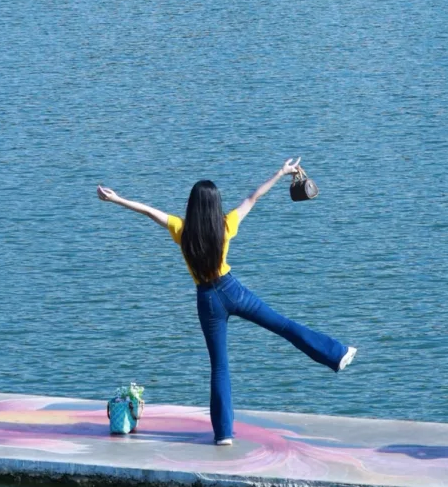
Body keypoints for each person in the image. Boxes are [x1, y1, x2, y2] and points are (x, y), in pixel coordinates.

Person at [96, 159, 356, 445]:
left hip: (207, 300)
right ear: (215, 205)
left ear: (192, 206)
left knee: (219, 366)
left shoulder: (182, 230)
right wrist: (281, 173)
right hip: (233, 290)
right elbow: (252, 198)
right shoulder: (225, 224)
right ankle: (336, 354)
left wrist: (116, 199)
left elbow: (148, 212)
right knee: (283, 326)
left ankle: (223, 434)